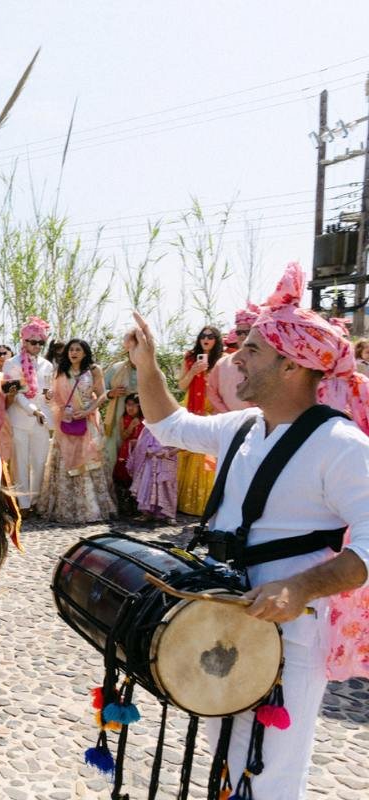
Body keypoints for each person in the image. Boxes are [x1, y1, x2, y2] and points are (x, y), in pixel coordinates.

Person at [127, 261, 369, 799]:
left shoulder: (342, 446)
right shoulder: (243, 427)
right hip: (228, 617)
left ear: (292, 366)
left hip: (293, 637)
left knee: (270, 773)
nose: (237, 356)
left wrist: (301, 586)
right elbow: (169, 425)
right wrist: (147, 365)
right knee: (227, 759)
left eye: (254, 349)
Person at [36, 338, 116, 523]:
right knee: (65, 463)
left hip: (87, 422)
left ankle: (90, 509)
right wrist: (49, 397)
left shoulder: (94, 370)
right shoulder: (61, 371)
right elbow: (52, 397)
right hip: (67, 422)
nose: (73, 353)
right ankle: (65, 507)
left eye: (78, 350)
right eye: (71, 350)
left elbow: (102, 394)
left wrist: (88, 410)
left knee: (88, 463)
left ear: (85, 352)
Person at [2, 317, 55, 513]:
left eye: (41, 342)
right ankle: (23, 505)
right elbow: (15, 395)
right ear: (24, 341)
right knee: (21, 463)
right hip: (19, 420)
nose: (37, 346)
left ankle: (36, 501)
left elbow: (46, 391)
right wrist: (34, 410)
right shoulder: (10, 364)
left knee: (40, 462)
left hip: (42, 419)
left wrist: (48, 396)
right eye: (33, 342)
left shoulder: (47, 365)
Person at [176, 324, 222, 516]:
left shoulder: (222, 361)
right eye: (203, 335)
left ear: (216, 340)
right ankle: (180, 501)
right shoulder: (189, 358)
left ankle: (204, 504)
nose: (206, 338)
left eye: (211, 336)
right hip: (191, 408)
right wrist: (193, 370)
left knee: (205, 454)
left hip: (211, 411)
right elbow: (181, 385)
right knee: (187, 450)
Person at [208, 306, 259, 413]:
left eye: (247, 332)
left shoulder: (267, 361)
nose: (242, 336)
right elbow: (211, 392)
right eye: (239, 333)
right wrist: (228, 416)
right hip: (229, 424)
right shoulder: (222, 363)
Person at [127, 424, 178, 523]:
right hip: (150, 461)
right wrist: (145, 451)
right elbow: (141, 445)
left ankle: (169, 515)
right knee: (147, 485)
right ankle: (146, 513)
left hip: (166, 460)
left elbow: (182, 444)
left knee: (166, 486)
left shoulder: (174, 425)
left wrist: (168, 453)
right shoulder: (150, 425)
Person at [100, 351, 138, 470]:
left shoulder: (152, 371)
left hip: (141, 422)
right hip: (116, 419)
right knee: (112, 453)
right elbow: (100, 392)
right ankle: (111, 485)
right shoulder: (116, 368)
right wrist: (111, 393)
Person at [111, 395, 144, 518]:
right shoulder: (123, 418)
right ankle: (125, 507)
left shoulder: (145, 418)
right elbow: (123, 436)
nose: (130, 408)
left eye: (133, 405)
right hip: (127, 451)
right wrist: (131, 426)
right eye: (127, 405)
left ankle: (138, 507)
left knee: (139, 478)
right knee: (124, 478)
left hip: (141, 452)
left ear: (139, 406)